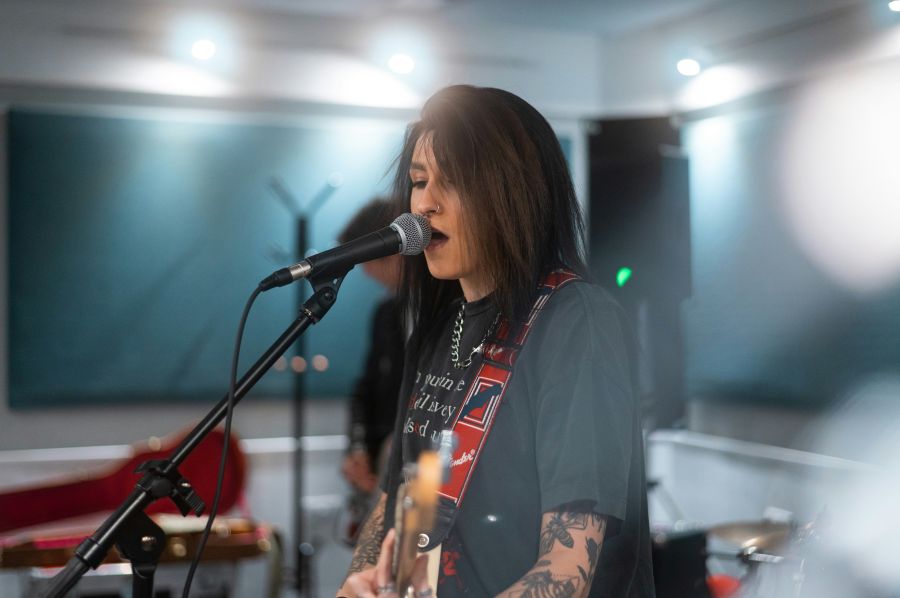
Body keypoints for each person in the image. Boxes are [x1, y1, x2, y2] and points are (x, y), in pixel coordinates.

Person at [337, 85, 655, 597]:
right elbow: (413, 496)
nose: (426, 205)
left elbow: (566, 574)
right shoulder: (439, 331)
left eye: (454, 183)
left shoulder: (577, 322)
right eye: (419, 182)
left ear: (515, 191)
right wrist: (369, 580)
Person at [338, 198, 406, 542]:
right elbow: (363, 390)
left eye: (367, 262)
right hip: (383, 468)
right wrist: (358, 447)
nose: (364, 273)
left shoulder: (450, 310)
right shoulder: (385, 314)